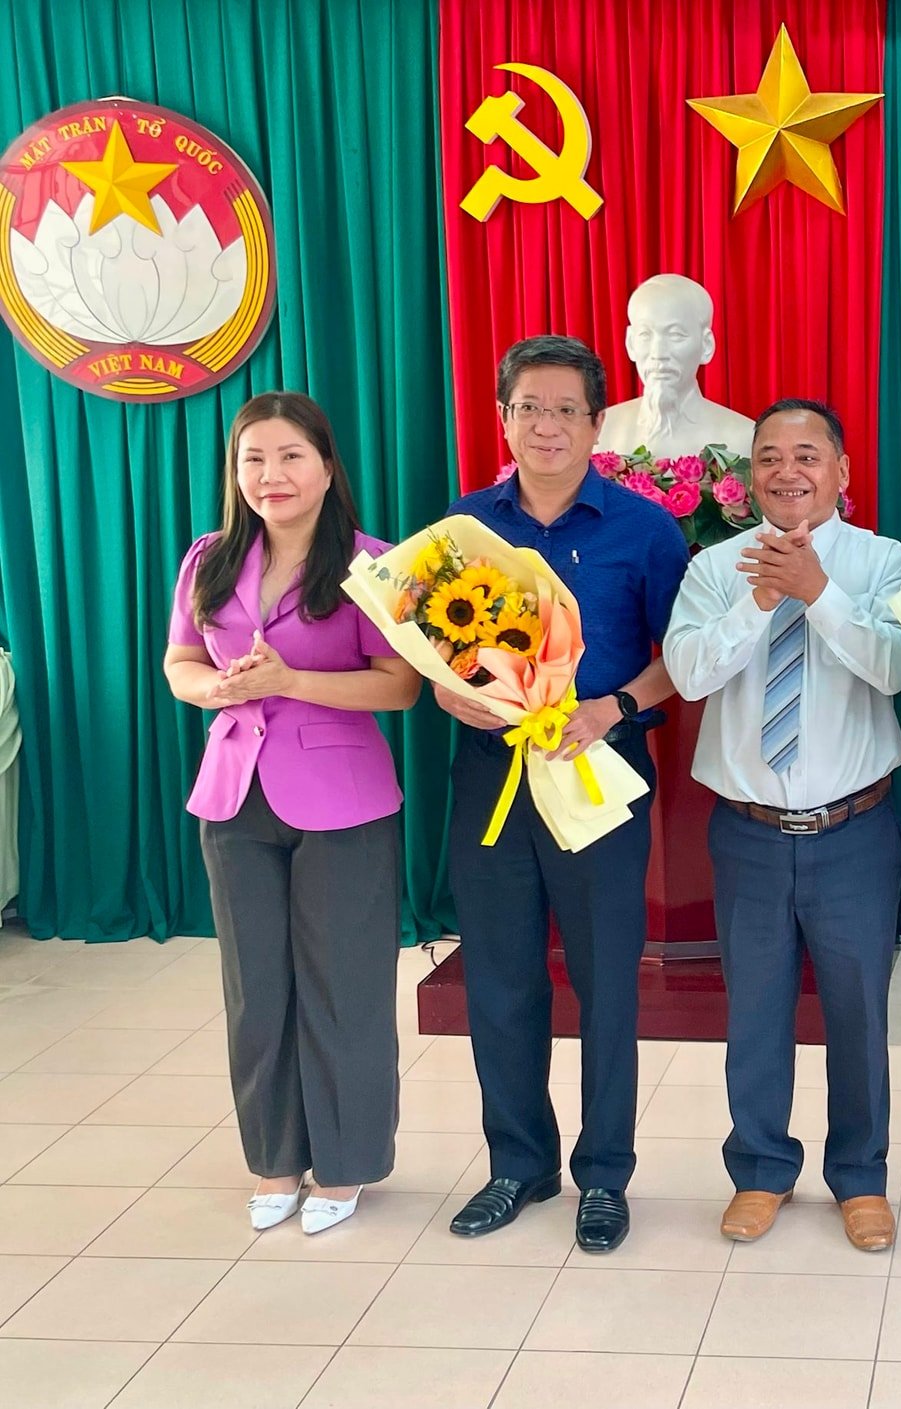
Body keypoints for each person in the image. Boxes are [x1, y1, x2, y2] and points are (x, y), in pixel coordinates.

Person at [439, 335, 690, 1254]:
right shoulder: (465, 527)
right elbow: (439, 654)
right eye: (528, 408)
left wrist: (612, 705)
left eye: (566, 410)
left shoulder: (644, 531)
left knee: (604, 983)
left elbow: (682, 663)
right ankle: (518, 1163)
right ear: (502, 418)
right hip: (493, 781)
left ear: (597, 424)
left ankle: (604, 1175)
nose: (546, 425)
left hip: (599, 773)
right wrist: (447, 691)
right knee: (501, 977)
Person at [663, 399, 901, 1252]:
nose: (786, 471)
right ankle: (761, 1169)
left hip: (854, 830)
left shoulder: (884, 561)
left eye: (807, 454)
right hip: (747, 832)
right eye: (768, 456)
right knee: (757, 1010)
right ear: (749, 476)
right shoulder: (713, 567)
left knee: (858, 1012)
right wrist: (759, 600)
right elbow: (689, 675)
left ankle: (861, 1177)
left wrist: (819, 596)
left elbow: (898, 671)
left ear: (842, 470)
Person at [163, 391, 419, 1236]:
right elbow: (181, 663)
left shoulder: (371, 564)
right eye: (253, 461)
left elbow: (400, 686)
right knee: (255, 987)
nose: (270, 476)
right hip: (234, 793)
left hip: (342, 800)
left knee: (343, 985)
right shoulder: (208, 557)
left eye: (289, 458)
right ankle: (275, 1158)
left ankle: (344, 1163)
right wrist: (219, 688)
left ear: (326, 467)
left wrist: (289, 681)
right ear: (236, 474)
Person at [594, 273, 755, 460]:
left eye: (676, 334)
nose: (659, 353)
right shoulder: (600, 432)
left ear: (706, 345)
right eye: (645, 334)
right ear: (630, 344)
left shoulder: (744, 437)